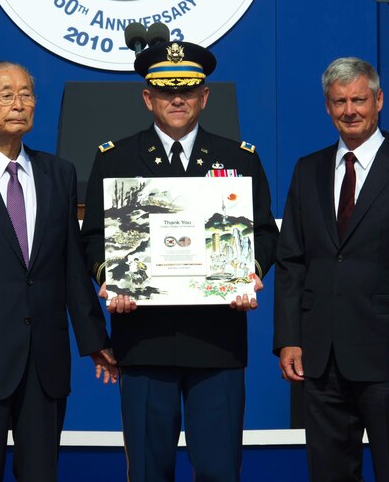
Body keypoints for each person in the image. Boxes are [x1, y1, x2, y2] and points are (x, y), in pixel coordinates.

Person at [81, 38, 278, 482]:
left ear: (204, 97)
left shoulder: (238, 158)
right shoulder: (115, 159)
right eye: (166, 90)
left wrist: (250, 273)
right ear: (147, 97)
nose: (177, 99)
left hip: (217, 339)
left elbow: (265, 233)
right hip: (144, 338)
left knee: (219, 470)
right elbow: (93, 236)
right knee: (149, 472)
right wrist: (113, 278)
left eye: (187, 90)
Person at [0, 61, 117, 482]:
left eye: (27, 94)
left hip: (44, 363)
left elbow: (69, 266)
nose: (19, 104)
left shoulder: (58, 174)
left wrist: (94, 338)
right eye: (6, 94)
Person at [273, 57, 389, 482]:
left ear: (379, 100)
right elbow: (292, 260)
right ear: (327, 107)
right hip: (321, 359)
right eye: (339, 102)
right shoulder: (307, 170)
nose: (349, 110)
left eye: (358, 100)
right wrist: (289, 338)